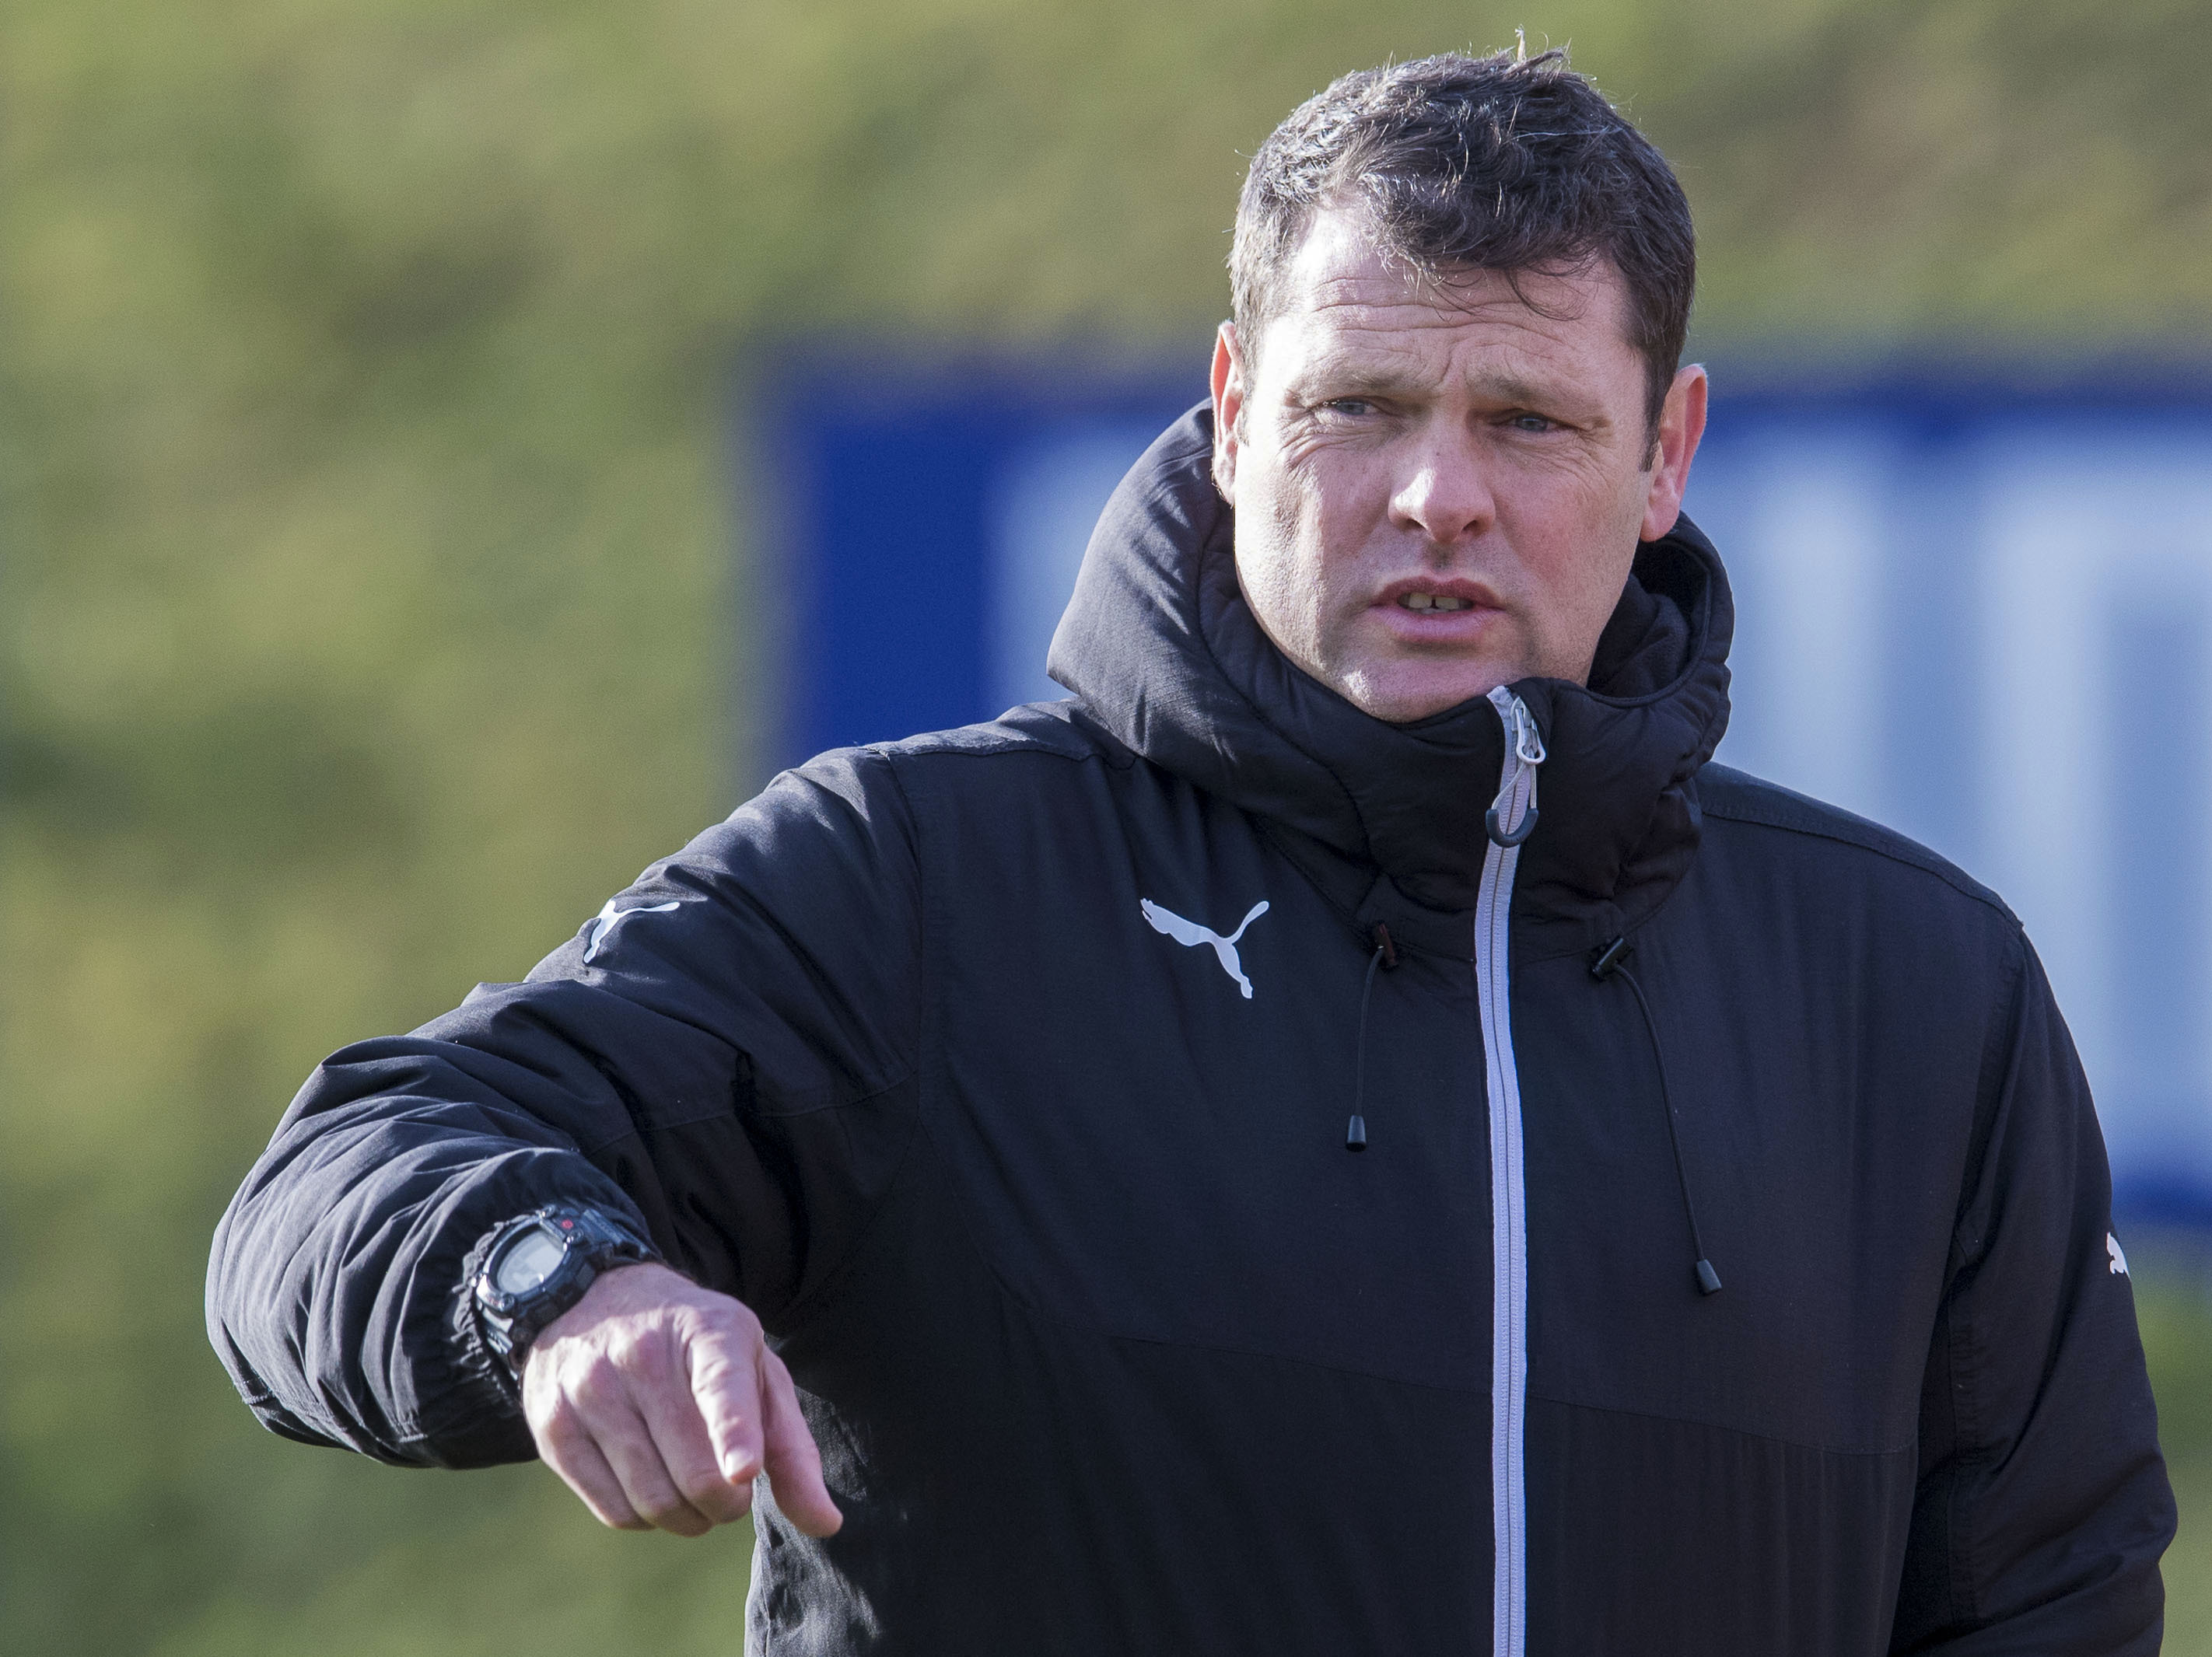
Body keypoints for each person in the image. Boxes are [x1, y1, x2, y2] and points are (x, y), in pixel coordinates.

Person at [208, 47, 2175, 1655]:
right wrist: (552, 1281)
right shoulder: (918, 880)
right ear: (1234, 415)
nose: (1435, 496)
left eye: (1528, 422)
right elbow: (334, 1183)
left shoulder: (1917, 983)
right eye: (1360, 406)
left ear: (1666, 454)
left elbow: (2053, 1608)